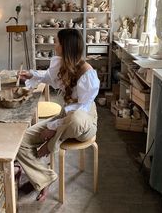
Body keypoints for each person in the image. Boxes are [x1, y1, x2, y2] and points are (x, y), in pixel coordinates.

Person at [16, 28, 100, 201]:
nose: (54, 45)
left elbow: (82, 109)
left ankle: (51, 144)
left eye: (57, 42)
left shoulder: (88, 74)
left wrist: (53, 129)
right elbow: (49, 77)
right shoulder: (61, 64)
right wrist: (31, 74)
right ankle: (43, 178)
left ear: (65, 46)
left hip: (85, 121)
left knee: (75, 120)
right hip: (65, 118)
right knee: (21, 141)